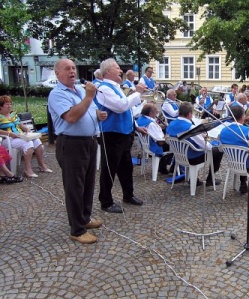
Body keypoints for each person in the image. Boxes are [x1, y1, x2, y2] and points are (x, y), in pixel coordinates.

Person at [48, 58, 107, 244]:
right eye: (67, 69)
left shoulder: (80, 90)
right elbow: (72, 116)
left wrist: (97, 115)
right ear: (58, 74)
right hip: (72, 144)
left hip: (89, 141)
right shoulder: (57, 94)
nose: (72, 71)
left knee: (88, 183)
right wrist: (89, 97)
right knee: (75, 187)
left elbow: (90, 110)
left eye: (73, 68)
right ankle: (77, 229)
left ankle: (85, 218)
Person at [95, 58, 148, 213]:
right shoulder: (104, 88)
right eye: (117, 68)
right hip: (112, 133)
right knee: (109, 168)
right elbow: (120, 106)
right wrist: (137, 93)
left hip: (125, 133)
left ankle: (128, 194)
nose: (120, 70)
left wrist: (135, 127)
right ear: (108, 72)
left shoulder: (117, 87)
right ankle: (106, 201)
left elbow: (128, 111)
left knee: (126, 167)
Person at [166, 102, 223, 186]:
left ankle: (194, 178)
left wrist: (199, 135)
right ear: (189, 114)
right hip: (191, 157)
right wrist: (208, 142)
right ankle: (210, 179)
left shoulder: (171, 124)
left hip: (178, 156)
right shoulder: (190, 127)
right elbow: (207, 147)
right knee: (218, 151)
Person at [0, 95, 52, 178]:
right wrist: (10, 134)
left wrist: (26, 129)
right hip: (7, 139)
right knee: (28, 144)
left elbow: (20, 125)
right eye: (7, 104)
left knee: (37, 141)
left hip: (19, 136)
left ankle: (42, 165)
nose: (9, 106)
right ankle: (28, 170)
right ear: (1, 106)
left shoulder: (13, 115)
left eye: (10, 104)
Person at [136, 103, 173, 175]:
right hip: (153, 146)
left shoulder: (140, 119)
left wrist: (160, 127)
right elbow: (160, 141)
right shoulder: (151, 123)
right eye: (156, 111)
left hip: (145, 144)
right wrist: (167, 136)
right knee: (175, 146)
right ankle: (165, 167)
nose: (157, 113)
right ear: (150, 113)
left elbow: (151, 131)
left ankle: (163, 165)